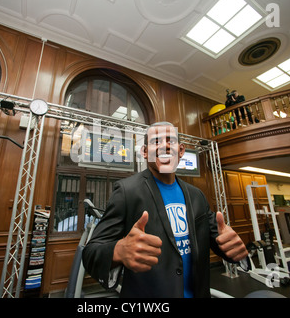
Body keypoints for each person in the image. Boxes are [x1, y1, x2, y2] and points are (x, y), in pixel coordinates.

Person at [82, 122, 248, 298]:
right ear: (145, 152)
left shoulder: (196, 195)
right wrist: (117, 251)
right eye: (156, 141)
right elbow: (91, 252)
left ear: (181, 150)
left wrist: (235, 250)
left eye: (170, 140)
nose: (165, 145)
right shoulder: (126, 192)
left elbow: (222, 240)